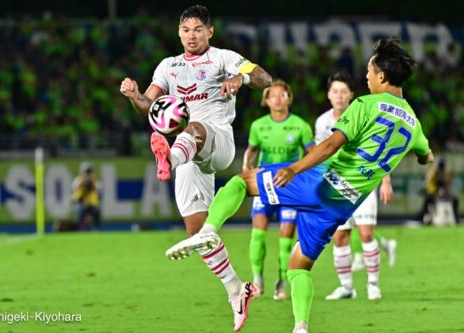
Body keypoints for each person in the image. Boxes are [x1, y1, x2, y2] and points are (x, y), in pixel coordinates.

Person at [165, 37, 433, 333]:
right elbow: (426, 156)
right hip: (341, 206)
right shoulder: (414, 124)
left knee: (242, 182)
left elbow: (331, 145)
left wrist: (294, 168)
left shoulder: (366, 105)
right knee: (298, 266)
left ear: (382, 76)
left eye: (369, 72)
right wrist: (418, 155)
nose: (367, 77)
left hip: (319, 182)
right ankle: (301, 327)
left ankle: (209, 231)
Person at [119, 5, 272, 331]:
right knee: (197, 232)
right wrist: (134, 96)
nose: (192, 35)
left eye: (198, 29)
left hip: (216, 140)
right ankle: (236, 289)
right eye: (186, 29)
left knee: (194, 127)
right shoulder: (168, 66)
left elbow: (265, 78)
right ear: (178, 32)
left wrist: (240, 78)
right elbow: (151, 106)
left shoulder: (224, 57)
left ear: (210, 31)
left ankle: (168, 160)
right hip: (187, 152)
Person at [314, 71, 397, 301]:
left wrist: (386, 181)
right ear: (328, 95)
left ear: (351, 94)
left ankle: (373, 284)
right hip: (335, 185)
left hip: (363, 182)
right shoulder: (322, 122)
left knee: (366, 233)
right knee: (340, 237)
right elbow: (321, 154)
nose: (339, 96)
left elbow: (379, 150)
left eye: (343, 92)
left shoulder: (364, 115)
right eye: (335, 91)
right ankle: (347, 287)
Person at [243, 80, 314, 300]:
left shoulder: (300, 125)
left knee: (286, 238)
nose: (277, 99)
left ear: (289, 98)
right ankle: (257, 279)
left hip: (290, 187)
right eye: (273, 95)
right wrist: (246, 167)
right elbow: (252, 150)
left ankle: (282, 282)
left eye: (282, 95)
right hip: (264, 185)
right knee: (258, 232)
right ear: (266, 100)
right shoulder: (258, 126)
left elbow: (312, 152)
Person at [417, 158, 459, 224]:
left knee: (455, 200)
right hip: (433, 193)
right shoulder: (434, 173)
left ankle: (455, 218)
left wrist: (447, 193)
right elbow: (428, 183)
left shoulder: (446, 174)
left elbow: (447, 186)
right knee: (428, 200)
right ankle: (423, 217)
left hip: (443, 194)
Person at [71, 162, 102, 230]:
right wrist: (83, 182)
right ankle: (81, 229)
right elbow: (74, 190)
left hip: (91, 203)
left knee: (96, 212)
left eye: (89, 171)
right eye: (86, 171)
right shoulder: (77, 180)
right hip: (80, 203)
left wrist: (91, 184)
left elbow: (98, 191)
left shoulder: (94, 180)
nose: (87, 173)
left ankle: (95, 229)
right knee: (80, 213)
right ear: (82, 172)